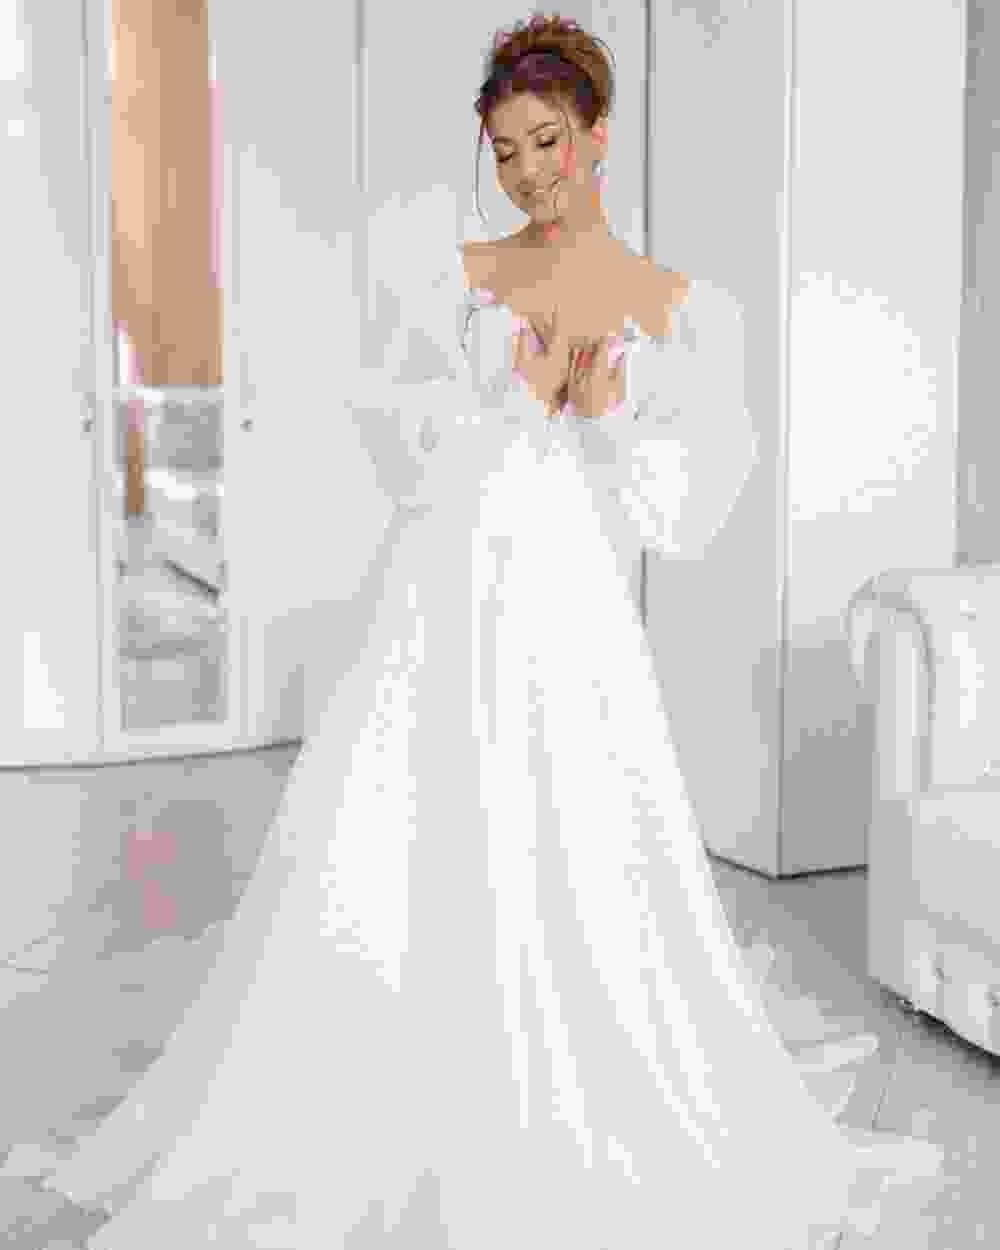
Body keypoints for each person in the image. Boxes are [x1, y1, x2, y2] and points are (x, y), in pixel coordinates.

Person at [20, 12, 942, 1247]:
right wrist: (512, 397)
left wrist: (601, 415)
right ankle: (390, 1082)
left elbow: (675, 508)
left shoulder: (661, 302)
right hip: (442, 585)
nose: (526, 171)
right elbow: (396, 442)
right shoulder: (467, 277)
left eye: (546, 141)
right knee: (397, 836)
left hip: (564, 602)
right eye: (504, 150)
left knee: (567, 839)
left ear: (597, 135)